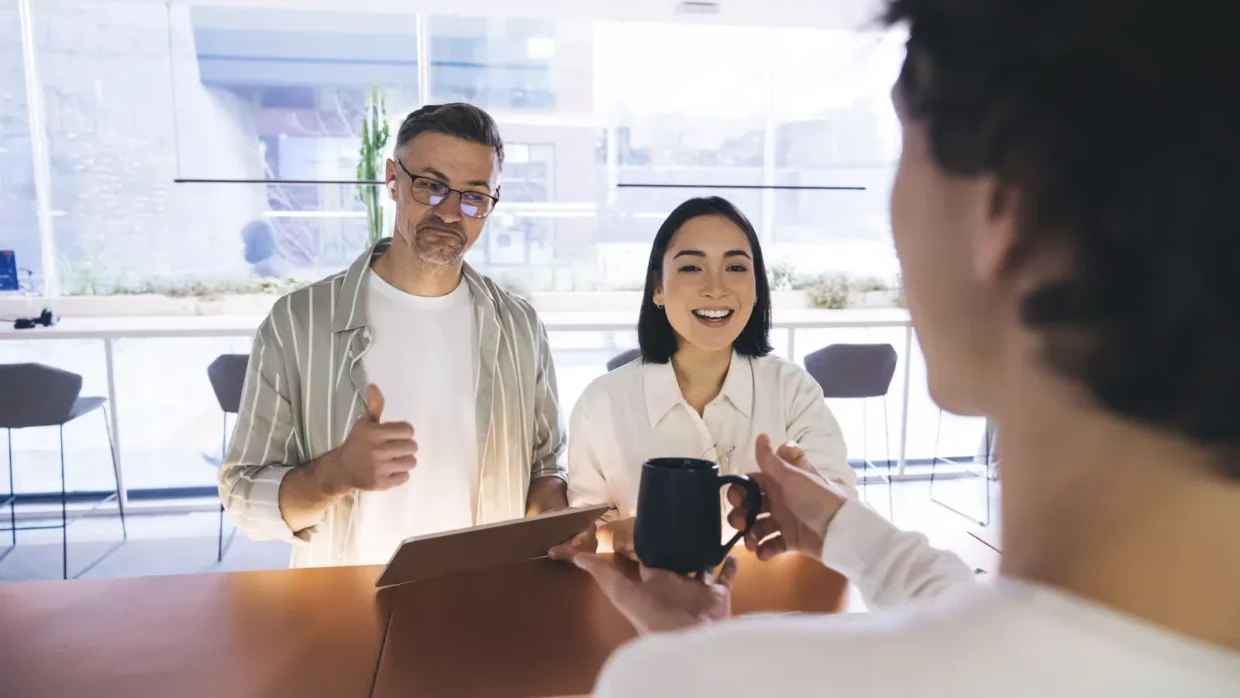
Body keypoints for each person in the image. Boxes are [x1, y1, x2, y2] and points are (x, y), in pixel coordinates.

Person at [573, 1, 1240, 695]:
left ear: (1001, 209)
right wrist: (841, 529)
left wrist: (692, 662)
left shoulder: (689, 681)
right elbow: (959, 606)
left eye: (902, 147)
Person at [219, 103, 569, 568]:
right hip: (346, 614)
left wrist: (559, 524)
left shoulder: (520, 327)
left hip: (486, 604)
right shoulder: (298, 323)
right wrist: (336, 473)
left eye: (474, 197)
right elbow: (244, 497)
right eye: (431, 186)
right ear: (392, 179)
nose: (449, 212)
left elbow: (545, 471)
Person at [553, 197, 856, 558]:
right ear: (658, 288)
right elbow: (586, 533)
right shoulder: (600, 404)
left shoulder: (794, 392)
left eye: (736, 268)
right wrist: (624, 536)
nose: (716, 288)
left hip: (774, 608)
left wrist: (814, 498)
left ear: (756, 287)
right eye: (692, 268)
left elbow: (847, 521)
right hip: (643, 607)